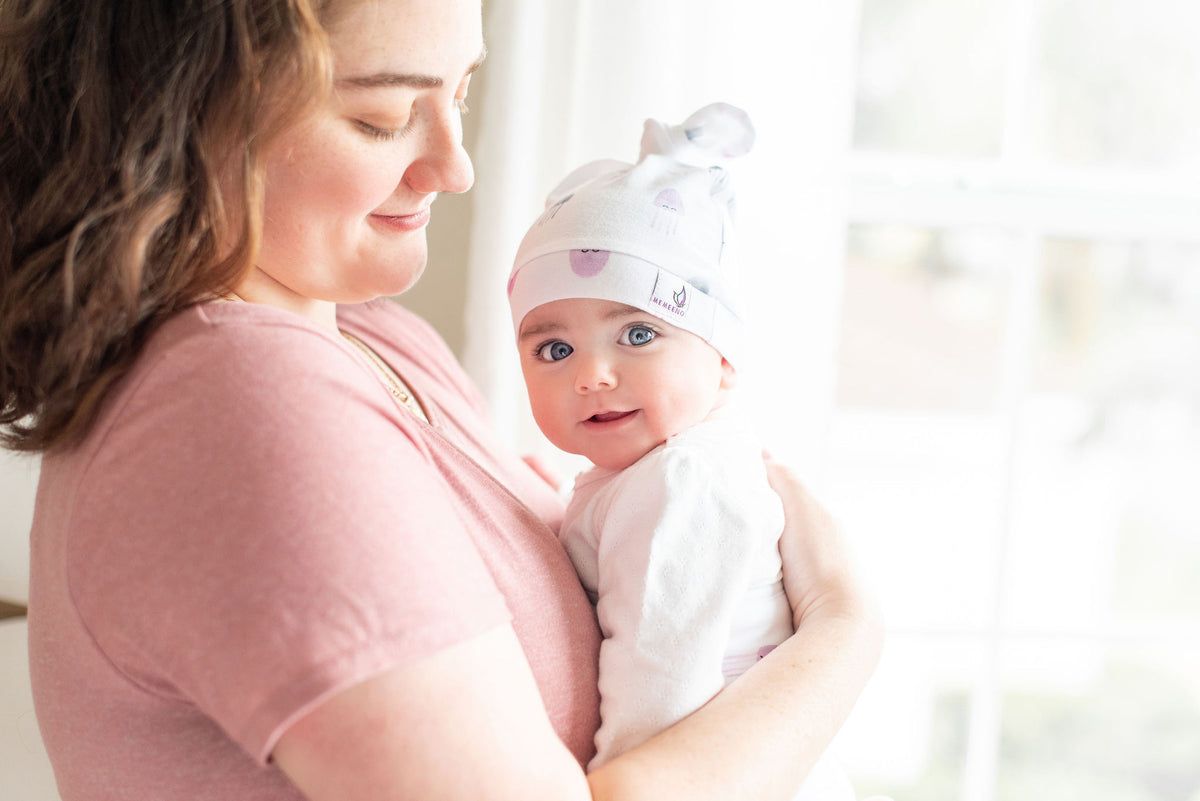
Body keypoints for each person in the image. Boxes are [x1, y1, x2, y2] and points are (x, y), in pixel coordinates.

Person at [0, 1, 883, 800]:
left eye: (462, 90)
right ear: (182, 116)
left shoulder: (374, 338)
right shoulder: (238, 401)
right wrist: (843, 631)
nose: (454, 167)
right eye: (381, 119)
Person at [507, 103, 861, 801]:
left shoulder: (682, 481)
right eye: (555, 348)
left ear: (723, 357)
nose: (591, 374)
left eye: (637, 335)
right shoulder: (648, 470)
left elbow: (662, 695)